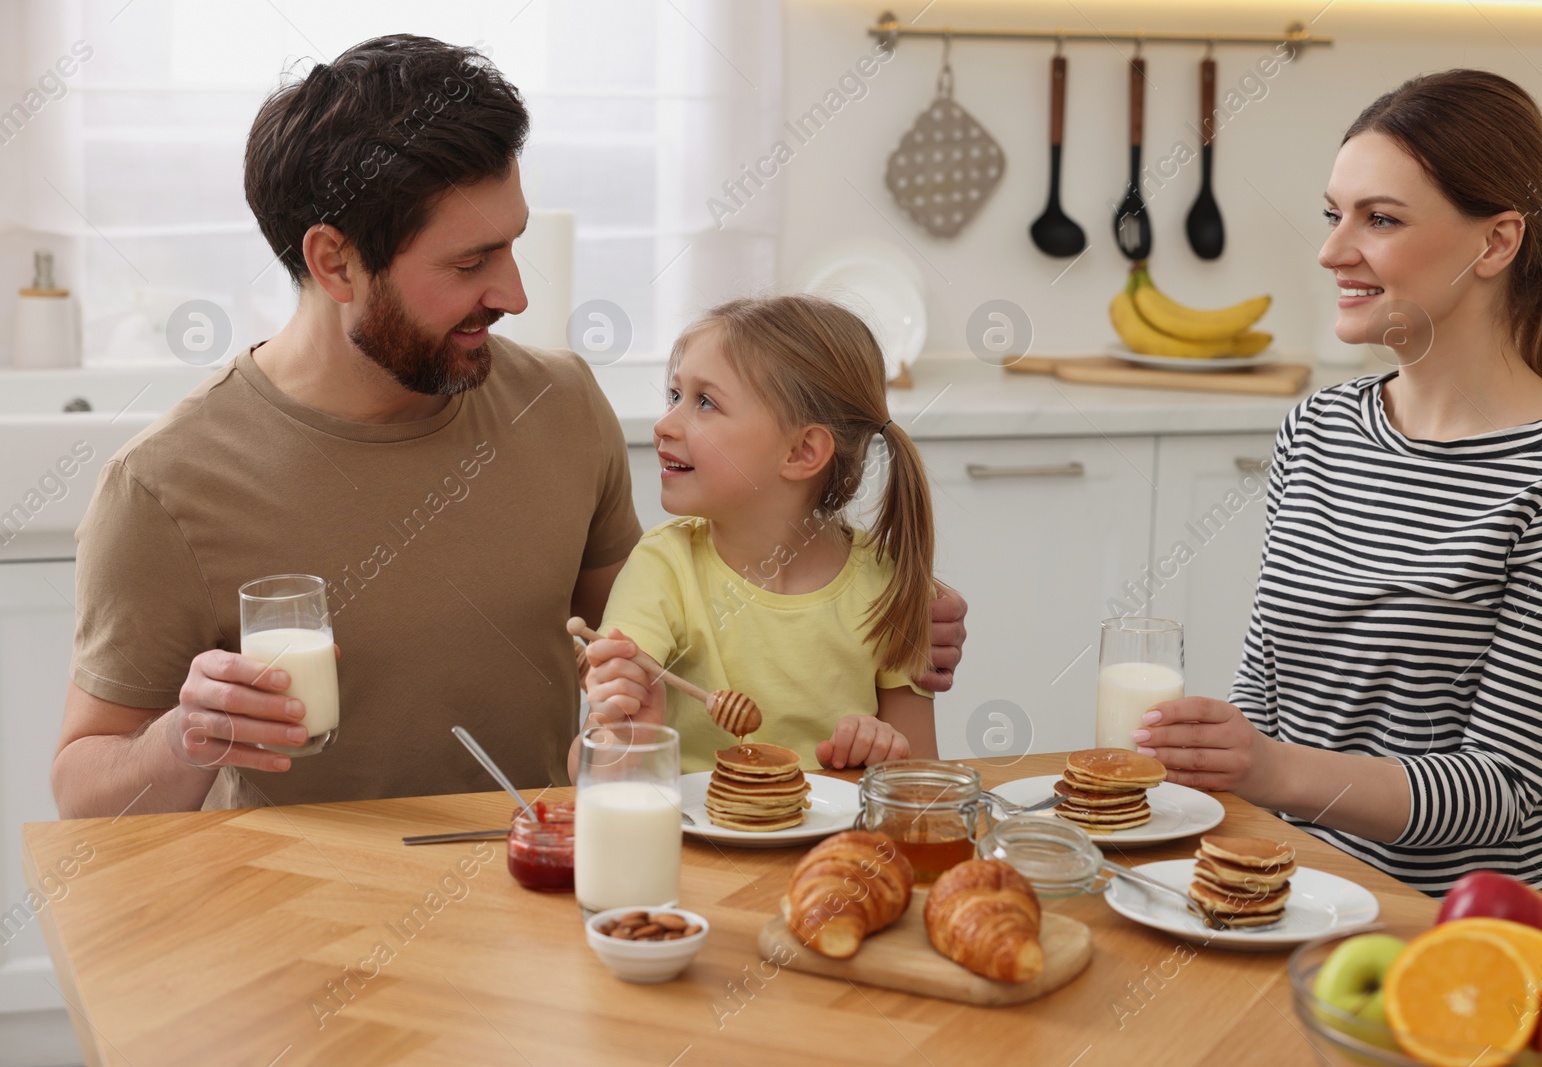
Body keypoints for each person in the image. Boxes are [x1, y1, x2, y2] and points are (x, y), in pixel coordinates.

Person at [49, 35, 969, 819]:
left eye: (515, 241)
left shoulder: (562, 405)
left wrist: (864, 620)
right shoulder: (165, 485)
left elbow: (674, 641)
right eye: (472, 260)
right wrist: (186, 736)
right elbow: (84, 787)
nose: (516, 293)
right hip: (304, 935)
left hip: (545, 893)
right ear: (335, 260)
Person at [1132, 70, 1542, 927]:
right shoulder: (1318, 430)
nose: (1331, 250)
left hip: (1484, 925)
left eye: (1379, 219)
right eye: (1333, 213)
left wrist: (1267, 768)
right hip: (1310, 889)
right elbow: (1269, 695)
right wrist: (1221, 763)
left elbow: (1500, 790)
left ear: (1495, 243)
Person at [571, 296, 940, 778]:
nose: (664, 425)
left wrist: (888, 756)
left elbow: (929, 786)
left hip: (836, 849)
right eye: (674, 395)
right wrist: (622, 734)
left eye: (705, 403)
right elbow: (588, 776)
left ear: (802, 451)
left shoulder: (887, 582)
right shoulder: (663, 567)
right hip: (694, 849)